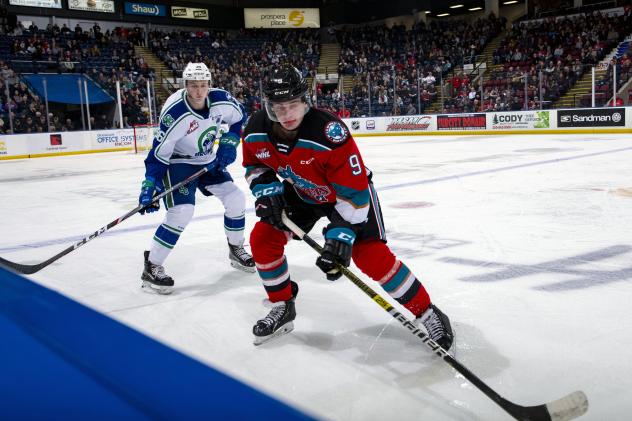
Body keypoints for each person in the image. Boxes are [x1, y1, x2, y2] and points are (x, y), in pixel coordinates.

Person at [242, 65, 454, 349]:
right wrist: (267, 190)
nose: (288, 114)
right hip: (304, 192)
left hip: (349, 197)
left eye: (293, 105)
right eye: (280, 108)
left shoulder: (328, 132)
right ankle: (283, 304)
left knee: (369, 256)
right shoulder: (256, 128)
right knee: (263, 239)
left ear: (305, 100)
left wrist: (340, 238)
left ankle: (427, 312)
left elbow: (354, 192)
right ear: (269, 108)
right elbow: (254, 164)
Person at [138, 62, 255, 295]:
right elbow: (159, 154)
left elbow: (239, 117)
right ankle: (152, 266)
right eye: (193, 86)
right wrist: (150, 185)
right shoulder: (174, 114)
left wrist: (230, 142)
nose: (199, 91)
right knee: (181, 212)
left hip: (207, 160)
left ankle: (235, 248)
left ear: (209, 84)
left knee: (235, 198)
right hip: (178, 163)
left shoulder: (220, 100)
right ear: (186, 85)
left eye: (203, 85)